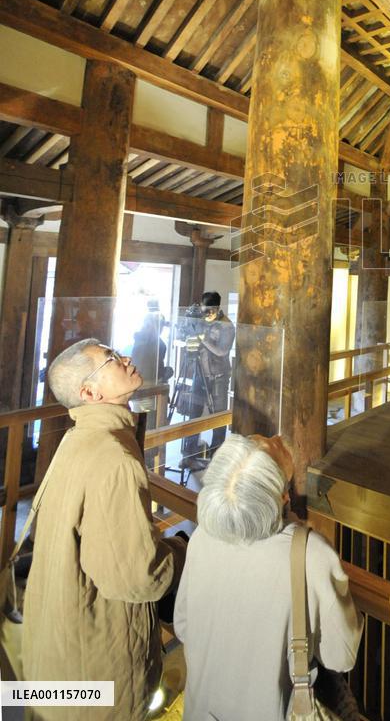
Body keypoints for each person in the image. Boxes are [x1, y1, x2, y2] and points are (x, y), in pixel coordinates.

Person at [22, 339, 187, 720]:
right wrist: (180, 552)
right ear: (89, 392)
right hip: (98, 670)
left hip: (57, 653)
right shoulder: (114, 457)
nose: (125, 358)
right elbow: (135, 576)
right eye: (111, 359)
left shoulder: (76, 439)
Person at [174, 434, 363, 721]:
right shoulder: (310, 554)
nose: (276, 436)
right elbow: (341, 656)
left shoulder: (202, 536)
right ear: (283, 496)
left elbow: (184, 626)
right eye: (270, 445)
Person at [181, 291, 235, 464]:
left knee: (217, 417)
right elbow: (193, 340)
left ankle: (216, 457)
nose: (206, 314)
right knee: (194, 413)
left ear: (217, 308)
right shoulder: (202, 320)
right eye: (204, 310)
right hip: (200, 373)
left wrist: (202, 337)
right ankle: (189, 453)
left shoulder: (227, 326)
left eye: (209, 310)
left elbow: (222, 351)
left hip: (218, 376)